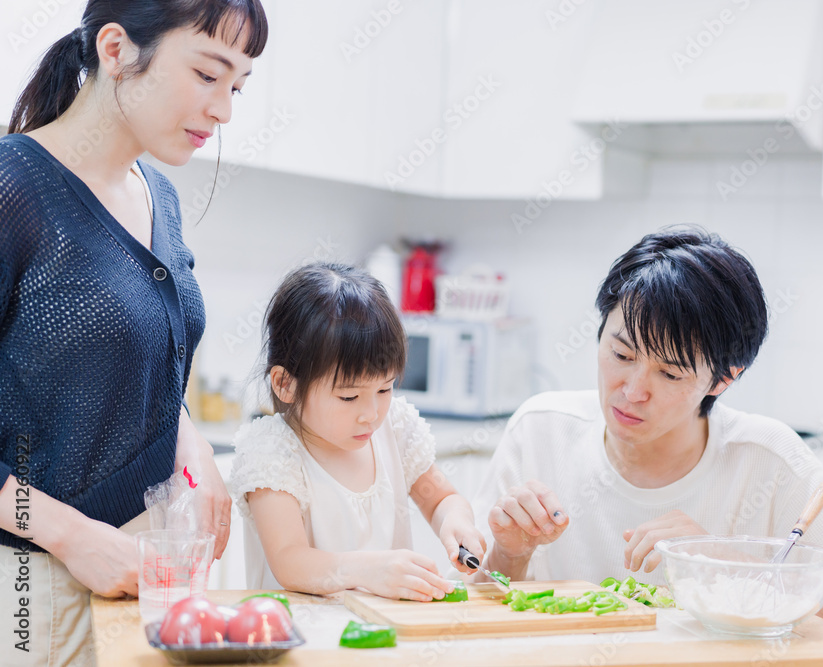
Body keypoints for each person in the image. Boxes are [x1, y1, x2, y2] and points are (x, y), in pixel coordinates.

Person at [473, 228, 823, 664]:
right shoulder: (541, 431)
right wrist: (510, 553)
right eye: (622, 355)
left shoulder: (767, 460)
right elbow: (471, 610)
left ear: (724, 378)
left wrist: (740, 570)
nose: (631, 391)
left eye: (668, 374)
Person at [0, 2, 267, 664]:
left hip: (144, 581)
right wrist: (67, 535)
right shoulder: (14, 188)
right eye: (208, 74)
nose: (224, 110)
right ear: (116, 49)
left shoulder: (160, 198)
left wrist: (193, 443)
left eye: (237, 85)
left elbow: (147, 367)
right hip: (30, 589)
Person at [228, 263, 487, 601]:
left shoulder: (394, 427)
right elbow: (289, 560)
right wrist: (367, 571)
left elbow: (441, 498)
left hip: (387, 636)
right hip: (302, 641)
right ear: (285, 384)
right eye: (349, 396)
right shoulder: (272, 452)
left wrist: (456, 520)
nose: (372, 414)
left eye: (385, 389)